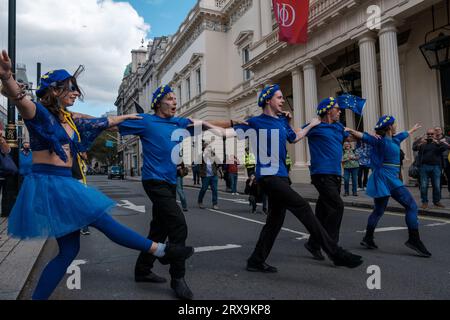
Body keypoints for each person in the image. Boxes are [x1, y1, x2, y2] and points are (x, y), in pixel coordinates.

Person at [0, 53, 194, 300]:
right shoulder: (39, 114)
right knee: (102, 220)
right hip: (52, 185)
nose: (76, 94)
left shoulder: (68, 119)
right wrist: (7, 77)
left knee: (69, 251)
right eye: (71, 89)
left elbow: (104, 122)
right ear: (56, 91)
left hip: (62, 183)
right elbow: (20, 101)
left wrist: (125, 117)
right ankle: (162, 250)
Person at [118, 84, 243, 300]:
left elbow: (206, 126)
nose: (175, 102)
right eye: (170, 98)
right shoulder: (146, 121)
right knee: (178, 225)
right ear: (158, 103)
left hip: (169, 182)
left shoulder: (179, 122)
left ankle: (142, 270)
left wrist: (234, 123)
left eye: (175, 99)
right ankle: (178, 278)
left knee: (159, 228)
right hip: (153, 181)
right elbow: (111, 125)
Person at [232, 85, 363, 272]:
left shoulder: (281, 122)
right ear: (268, 100)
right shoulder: (256, 121)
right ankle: (335, 252)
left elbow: (294, 138)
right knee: (301, 206)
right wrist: (211, 125)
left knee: (275, 221)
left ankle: (256, 260)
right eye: (279, 97)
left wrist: (310, 124)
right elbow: (229, 132)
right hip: (269, 177)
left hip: (283, 176)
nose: (283, 100)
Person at [346, 115, 432, 257]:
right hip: (387, 178)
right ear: (389, 127)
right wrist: (350, 129)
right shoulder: (380, 141)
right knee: (411, 206)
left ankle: (368, 238)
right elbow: (364, 136)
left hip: (386, 178)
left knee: (379, 210)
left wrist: (411, 130)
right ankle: (414, 240)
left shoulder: (394, 139)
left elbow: (402, 135)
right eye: (395, 123)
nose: (396, 125)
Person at [302, 97, 351, 261]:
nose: (340, 111)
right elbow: (293, 134)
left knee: (323, 213)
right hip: (321, 174)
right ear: (328, 110)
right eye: (337, 108)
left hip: (336, 174)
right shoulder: (316, 127)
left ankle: (313, 244)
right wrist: (310, 124)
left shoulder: (338, 127)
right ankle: (332, 247)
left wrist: (368, 136)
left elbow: (349, 137)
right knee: (337, 206)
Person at [412, 128, 447, 209]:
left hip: (436, 167)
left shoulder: (438, 142)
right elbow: (414, 147)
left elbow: (444, 148)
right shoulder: (423, 142)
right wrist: (420, 142)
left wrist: (437, 142)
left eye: (432, 134)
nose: (430, 135)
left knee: (437, 186)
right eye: (428, 134)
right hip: (424, 167)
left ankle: (437, 201)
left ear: (435, 135)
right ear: (426, 134)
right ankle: (424, 202)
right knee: (424, 186)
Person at [197, 141, 222, 209]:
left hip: (213, 175)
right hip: (205, 176)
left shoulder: (212, 154)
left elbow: (219, 162)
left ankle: (215, 204)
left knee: (215, 190)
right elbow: (198, 166)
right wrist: (200, 173)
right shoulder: (201, 156)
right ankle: (200, 201)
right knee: (204, 189)